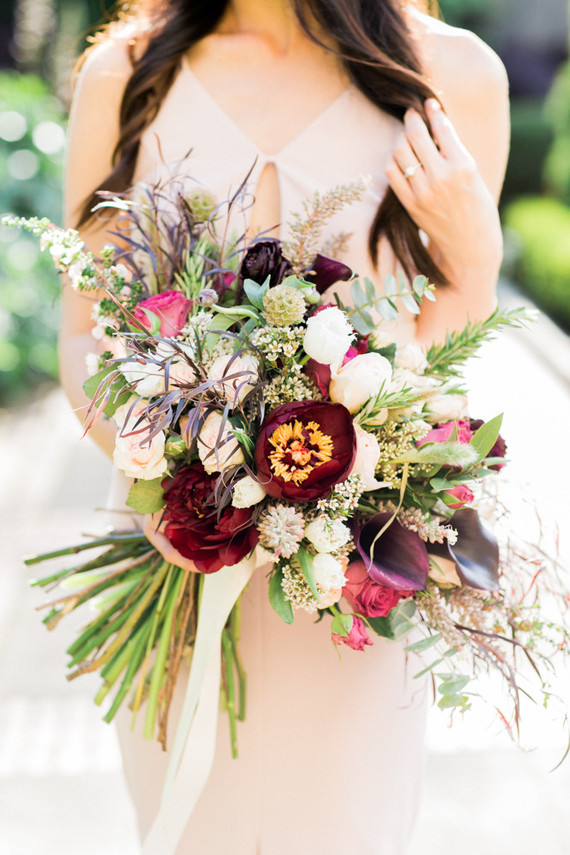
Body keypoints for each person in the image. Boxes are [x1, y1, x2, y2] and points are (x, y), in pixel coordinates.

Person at [60, 1, 509, 852]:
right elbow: (82, 330)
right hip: (173, 562)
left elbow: (445, 351)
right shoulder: (123, 74)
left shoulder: (454, 77)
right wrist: (172, 482)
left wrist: (477, 268)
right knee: (187, 824)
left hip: (349, 579)